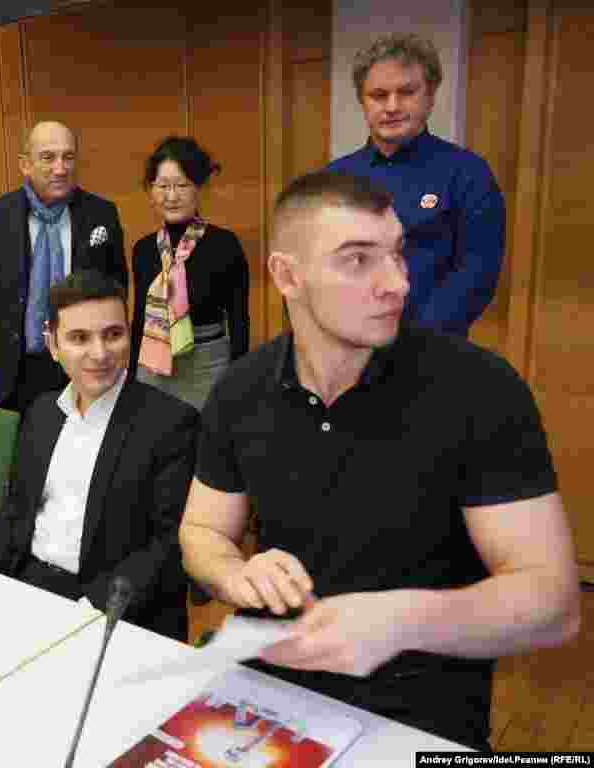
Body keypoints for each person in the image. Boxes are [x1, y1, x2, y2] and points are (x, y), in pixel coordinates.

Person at [179, 170, 579, 748]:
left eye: (396, 254)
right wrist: (235, 575)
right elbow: (202, 532)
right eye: (358, 260)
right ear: (287, 276)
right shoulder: (241, 390)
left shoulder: (479, 389)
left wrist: (400, 620)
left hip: (419, 716)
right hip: (270, 697)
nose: (397, 283)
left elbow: (554, 601)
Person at [0, 270, 198, 641]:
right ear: (52, 344)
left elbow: (170, 544)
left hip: (110, 605)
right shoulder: (41, 412)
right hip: (30, 583)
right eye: (79, 338)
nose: (100, 353)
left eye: (113, 335)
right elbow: (15, 508)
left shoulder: (171, 424)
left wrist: (89, 612)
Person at [326, 33, 505, 335]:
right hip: (348, 346)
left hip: (432, 349)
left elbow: (477, 274)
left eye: (407, 92)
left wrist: (412, 345)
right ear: (362, 101)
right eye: (378, 95)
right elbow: (317, 267)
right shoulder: (333, 179)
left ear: (430, 97)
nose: (392, 106)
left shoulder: (467, 173)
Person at [0, 121, 128, 413]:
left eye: (68, 157)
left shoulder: (101, 213)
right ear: (25, 164)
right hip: (20, 367)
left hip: (86, 362)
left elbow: (117, 286)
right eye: (48, 157)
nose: (60, 168)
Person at [131, 136, 249, 408]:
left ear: (199, 187)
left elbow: (239, 321)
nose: (172, 196)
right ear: (151, 191)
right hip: (153, 368)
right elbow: (139, 318)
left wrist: (238, 382)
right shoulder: (143, 249)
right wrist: (132, 379)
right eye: (163, 186)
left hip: (209, 369)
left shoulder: (225, 244)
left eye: (182, 185)